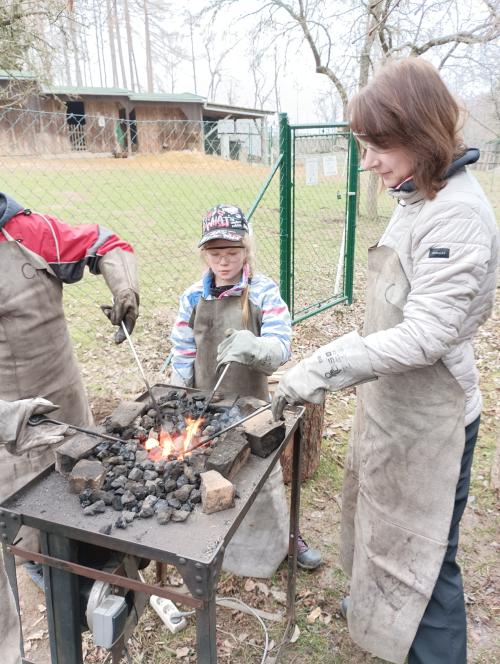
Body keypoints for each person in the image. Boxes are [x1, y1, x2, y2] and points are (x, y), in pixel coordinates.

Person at [271, 58, 498, 664]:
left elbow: (425, 335)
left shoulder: (459, 215)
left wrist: (323, 366)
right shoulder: (417, 192)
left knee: (423, 556)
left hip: (431, 417)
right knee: (375, 522)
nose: (367, 161)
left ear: (420, 133)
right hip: (391, 404)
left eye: (377, 146)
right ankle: (377, 615)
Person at [0, 192, 140, 664]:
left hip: (70, 420)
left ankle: (107, 617)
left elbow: (105, 243)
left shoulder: (26, 232)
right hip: (8, 447)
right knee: (34, 547)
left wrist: (125, 289)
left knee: (93, 523)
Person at [170, 203, 322, 575]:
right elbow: (182, 350)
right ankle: (212, 544)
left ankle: (285, 538)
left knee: (263, 478)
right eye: (216, 253)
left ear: (246, 251)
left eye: (233, 253)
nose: (224, 262)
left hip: (253, 405)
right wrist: (180, 390)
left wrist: (254, 347)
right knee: (207, 471)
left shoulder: (264, 292)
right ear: (205, 254)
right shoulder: (192, 296)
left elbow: (281, 349)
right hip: (206, 405)